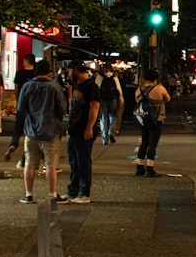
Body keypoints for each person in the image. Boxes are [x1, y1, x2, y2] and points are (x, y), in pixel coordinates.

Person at [16, 60, 69, 204]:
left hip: (31, 130)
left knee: (30, 163)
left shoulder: (27, 86)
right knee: (51, 164)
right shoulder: (54, 87)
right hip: (50, 130)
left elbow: (21, 107)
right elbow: (62, 108)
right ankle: (52, 194)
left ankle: (28, 194)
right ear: (49, 72)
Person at [62, 62, 100, 204]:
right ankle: (73, 190)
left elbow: (95, 107)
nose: (68, 74)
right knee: (74, 160)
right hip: (75, 129)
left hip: (84, 129)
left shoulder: (90, 86)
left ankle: (84, 192)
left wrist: (89, 127)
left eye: (70, 70)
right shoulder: (78, 85)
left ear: (76, 69)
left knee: (83, 161)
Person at [135, 69, 171, 177]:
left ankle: (139, 168)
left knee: (144, 142)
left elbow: (137, 102)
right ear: (155, 79)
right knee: (152, 144)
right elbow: (168, 99)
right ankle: (150, 168)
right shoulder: (159, 88)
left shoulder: (139, 90)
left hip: (143, 119)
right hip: (156, 119)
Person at [6, 53, 37, 167]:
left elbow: (16, 89)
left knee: (18, 128)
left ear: (26, 61)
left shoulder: (19, 73)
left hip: (21, 105)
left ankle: (14, 144)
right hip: (33, 108)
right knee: (29, 133)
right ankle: (24, 159)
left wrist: (18, 100)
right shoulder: (35, 74)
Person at [96, 63, 124, 145]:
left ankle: (104, 138)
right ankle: (111, 132)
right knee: (113, 116)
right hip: (113, 99)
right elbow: (118, 89)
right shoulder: (114, 77)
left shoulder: (99, 77)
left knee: (103, 118)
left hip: (102, 99)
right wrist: (121, 99)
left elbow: (96, 88)